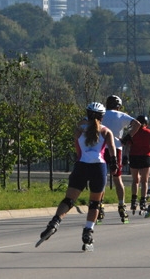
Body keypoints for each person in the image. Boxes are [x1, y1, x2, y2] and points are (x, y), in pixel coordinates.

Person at [37, 102, 117, 250]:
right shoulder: (106, 132)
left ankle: (54, 223)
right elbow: (112, 151)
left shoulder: (79, 131)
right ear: (102, 116)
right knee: (94, 203)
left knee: (69, 200)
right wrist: (114, 165)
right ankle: (88, 233)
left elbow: (78, 152)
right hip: (98, 167)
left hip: (81, 165)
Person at [98, 95, 141, 223]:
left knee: (102, 179)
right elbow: (137, 124)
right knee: (117, 178)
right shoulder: (121, 115)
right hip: (116, 148)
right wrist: (128, 137)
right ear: (119, 106)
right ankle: (122, 206)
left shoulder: (102, 114)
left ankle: (100, 206)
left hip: (101, 148)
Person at [126, 115, 150, 214]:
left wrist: (126, 156)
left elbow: (128, 145)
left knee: (135, 180)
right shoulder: (149, 133)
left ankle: (133, 200)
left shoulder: (133, 133)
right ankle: (143, 201)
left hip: (134, 156)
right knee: (144, 181)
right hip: (145, 157)